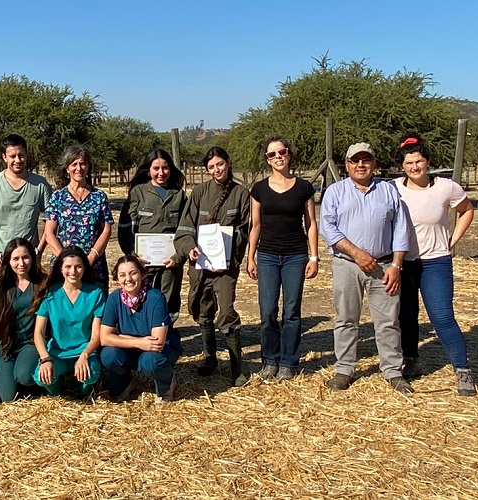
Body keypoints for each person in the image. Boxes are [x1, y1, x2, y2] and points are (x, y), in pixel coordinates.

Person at [319, 142, 413, 394]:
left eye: (366, 159)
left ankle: (393, 371)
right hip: (347, 265)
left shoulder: (389, 191)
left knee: (388, 322)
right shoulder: (335, 192)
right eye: (355, 160)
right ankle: (345, 368)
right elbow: (328, 229)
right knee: (346, 319)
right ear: (346, 165)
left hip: (384, 267)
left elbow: (401, 229)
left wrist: (396, 264)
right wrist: (357, 254)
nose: (360, 165)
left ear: (374, 163)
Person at [393, 133, 476, 396]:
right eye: (408, 163)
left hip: (436, 262)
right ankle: (411, 360)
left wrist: (452, 240)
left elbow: (467, 210)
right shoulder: (394, 188)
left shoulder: (446, 187)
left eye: (418, 161)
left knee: (441, 316)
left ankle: (462, 370)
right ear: (402, 167)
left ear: (427, 162)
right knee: (406, 315)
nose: (414, 167)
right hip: (404, 262)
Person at [174, 147, 250, 386]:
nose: (217, 170)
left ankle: (237, 368)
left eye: (220, 164)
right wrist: (189, 249)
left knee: (226, 311)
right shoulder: (199, 192)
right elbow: (185, 228)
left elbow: (246, 231)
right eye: (211, 167)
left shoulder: (241, 194)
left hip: (225, 269)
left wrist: (227, 257)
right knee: (202, 308)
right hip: (200, 265)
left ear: (228, 163)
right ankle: (210, 358)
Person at [247, 136, 319, 382]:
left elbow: (310, 225)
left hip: (295, 256)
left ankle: (288, 361)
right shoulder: (258, 189)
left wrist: (314, 257)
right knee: (267, 310)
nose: (277, 157)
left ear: (289, 154)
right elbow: (255, 225)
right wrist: (251, 257)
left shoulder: (303, 188)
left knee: (291, 311)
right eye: (272, 154)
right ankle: (269, 360)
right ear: (267, 160)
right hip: (267, 255)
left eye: (281, 152)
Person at [100, 255, 183, 403]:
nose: (128, 279)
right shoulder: (114, 299)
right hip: (135, 347)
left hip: (160, 350)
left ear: (142, 274)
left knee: (150, 361)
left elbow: (156, 343)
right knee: (108, 355)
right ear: (117, 279)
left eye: (133, 273)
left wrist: (120, 337)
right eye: (122, 275)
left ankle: (166, 383)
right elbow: (104, 338)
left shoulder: (155, 298)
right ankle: (125, 383)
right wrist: (139, 342)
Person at [0, 134, 52, 292]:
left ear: (26, 155)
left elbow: (51, 221)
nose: (17, 160)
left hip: (28, 261)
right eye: (12, 156)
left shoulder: (40, 184)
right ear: (4, 157)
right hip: (0, 259)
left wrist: (39, 251)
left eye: (21, 155)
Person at [118, 149, 187, 322]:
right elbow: (125, 228)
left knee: (168, 299)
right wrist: (133, 256)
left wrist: (179, 256)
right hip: (143, 261)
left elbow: (187, 228)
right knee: (141, 296)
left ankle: (166, 335)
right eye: (156, 168)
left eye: (165, 168)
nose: (161, 173)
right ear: (148, 171)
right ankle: (141, 334)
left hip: (171, 261)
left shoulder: (179, 195)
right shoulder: (138, 192)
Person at [32, 246, 105, 397]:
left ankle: (85, 386)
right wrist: (45, 358)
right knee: (43, 377)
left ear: (84, 268)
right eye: (68, 267)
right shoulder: (50, 293)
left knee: (90, 377)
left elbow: (96, 333)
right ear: (60, 268)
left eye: (78, 266)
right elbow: (38, 332)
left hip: (84, 352)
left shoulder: (95, 293)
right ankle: (57, 386)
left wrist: (84, 355)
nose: (73, 272)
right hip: (58, 353)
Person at [44, 145, 114, 294]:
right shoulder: (57, 197)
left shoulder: (99, 197)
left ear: (88, 167)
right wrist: (66, 261)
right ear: (67, 168)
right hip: (64, 270)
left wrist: (90, 258)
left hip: (94, 267)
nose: (79, 168)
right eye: (74, 164)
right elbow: (49, 233)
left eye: (82, 163)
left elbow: (106, 230)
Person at [0, 238, 47, 402]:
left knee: (24, 376)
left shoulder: (42, 283)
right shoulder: (0, 284)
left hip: (30, 342)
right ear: (8, 260)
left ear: (33, 258)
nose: (21, 263)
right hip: (5, 344)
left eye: (25, 257)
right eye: (15, 259)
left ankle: (32, 380)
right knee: (7, 398)